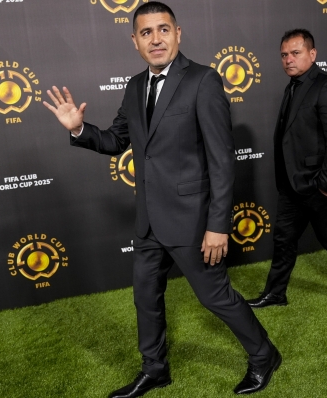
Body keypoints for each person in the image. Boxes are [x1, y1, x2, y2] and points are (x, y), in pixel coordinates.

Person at [43, 2, 280, 396]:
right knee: (145, 299)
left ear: (178, 33)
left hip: (193, 221)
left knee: (216, 298)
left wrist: (217, 226)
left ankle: (263, 355)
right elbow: (118, 140)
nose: (156, 39)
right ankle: (155, 370)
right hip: (149, 220)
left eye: (163, 29)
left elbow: (222, 162)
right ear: (134, 40)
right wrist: (79, 128)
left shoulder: (204, 81)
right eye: (146, 32)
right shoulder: (135, 86)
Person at [247, 29, 327, 311]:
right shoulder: (293, 85)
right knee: (283, 240)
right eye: (284, 55)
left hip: (317, 185)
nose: (288, 60)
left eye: (295, 53)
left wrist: (323, 183)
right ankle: (275, 293)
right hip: (291, 185)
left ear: (312, 54)